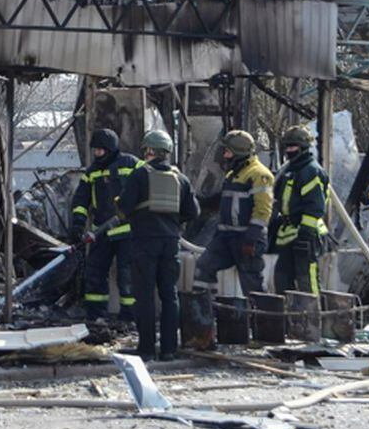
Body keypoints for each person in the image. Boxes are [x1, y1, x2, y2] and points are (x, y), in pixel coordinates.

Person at [116, 129, 199, 361]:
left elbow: (123, 208)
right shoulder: (180, 177)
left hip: (144, 242)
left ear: (149, 150)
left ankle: (147, 349)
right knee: (169, 295)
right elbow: (193, 211)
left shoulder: (140, 175)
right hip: (171, 243)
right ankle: (169, 349)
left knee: (144, 295)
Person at [69, 128, 143, 322]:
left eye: (100, 150)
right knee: (95, 272)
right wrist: (77, 224)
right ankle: (95, 316)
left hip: (128, 232)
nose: (97, 154)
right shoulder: (92, 171)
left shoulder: (131, 163)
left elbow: (149, 183)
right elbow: (81, 200)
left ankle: (129, 318)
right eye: (95, 150)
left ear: (110, 149)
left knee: (127, 275)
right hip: (101, 232)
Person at [194, 130, 273, 295]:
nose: (225, 155)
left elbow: (263, 210)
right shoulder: (233, 174)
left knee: (252, 285)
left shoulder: (259, 174)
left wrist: (251, 237)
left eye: (228, 151)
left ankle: (261, 318)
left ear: (239, 153)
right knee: (204, 267)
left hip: (247, 238)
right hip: (225, 238)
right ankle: (205, 313)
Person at [271, 125, 329, 295]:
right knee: (281, 278)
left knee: (307, 281)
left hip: (306, 235)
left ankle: (312, 318)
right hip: (288, 234)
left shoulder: (310, 171)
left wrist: (306, 233)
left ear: (303, 148)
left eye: (293, 146)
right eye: (287, 147)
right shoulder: (289, 170)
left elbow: (315, 206)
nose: (289, 150)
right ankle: (288, 318)